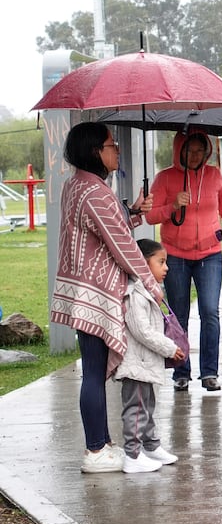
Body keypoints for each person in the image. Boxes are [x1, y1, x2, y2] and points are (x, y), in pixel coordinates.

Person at [52, 122, 162, 473]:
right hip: (94, 294)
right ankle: (96, 449)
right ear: (94, 151)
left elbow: (105, 229)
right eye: (111, 145)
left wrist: (130, 212)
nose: (116, 150)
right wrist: (152, 285)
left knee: (94, 372)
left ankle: (102, 442)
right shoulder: (96, 193)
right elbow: (125, 249)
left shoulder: (77, 185)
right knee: (94, 372)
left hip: (80, 289)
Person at [146, 129, 222, 392]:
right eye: (190, 151)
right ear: (179, 150)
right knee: (179, 315)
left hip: (210, 254)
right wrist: (173, 206)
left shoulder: (213, 175)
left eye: (200, 151)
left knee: (210, 312)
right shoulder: (165, 178)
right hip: (176, 256)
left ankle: (209, 373)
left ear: (207, 152)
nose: (195, 156)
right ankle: (181, 372)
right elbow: (151, 216)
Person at [116, 239, 185, 473]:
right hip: (136, 363)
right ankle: (132, 455)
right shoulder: (135, 294)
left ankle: (151, 445)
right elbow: (142, 331)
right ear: (143, 264)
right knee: (136, 408)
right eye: (161, 262)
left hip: (145, 362)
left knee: (148, 405)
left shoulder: (148, 291)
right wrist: (168, 347)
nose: (166, 268)